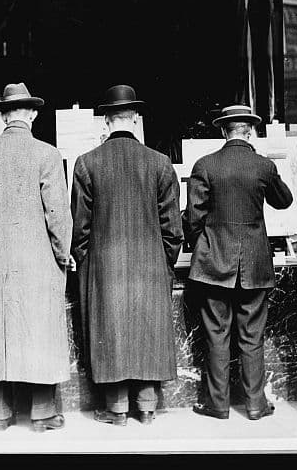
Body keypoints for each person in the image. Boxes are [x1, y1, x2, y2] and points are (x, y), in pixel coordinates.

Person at [71, 84, 183, 426]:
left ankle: (117, 408)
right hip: (149, 265)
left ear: (106, 121)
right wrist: (163, 259)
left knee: (112, 332)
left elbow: (80, 229)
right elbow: (173, 230)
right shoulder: (161, 164)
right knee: (147, 331)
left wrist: (88, 264)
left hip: (105, 268)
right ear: (135, 119)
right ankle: (147, 407)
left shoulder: (86, 163)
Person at [0, 82, 72, 434]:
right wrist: (62, 254)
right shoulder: (47, 155)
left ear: (4, 116)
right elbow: (58, 214)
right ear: (33, 114)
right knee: (39, 332)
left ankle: (1, 413)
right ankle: (42, 414)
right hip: (38, 260)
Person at [184, 104, 294, 421]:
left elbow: (193, 218)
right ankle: (256, 404)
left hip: (213, 265)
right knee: (252, 337)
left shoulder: (205, 165)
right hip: (255, 266)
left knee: (216, 336)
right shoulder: (262, 166)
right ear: (250, 131)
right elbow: (283, 200)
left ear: (223, 130)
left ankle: (218, 405)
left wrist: (202, 244)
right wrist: (265, 169)